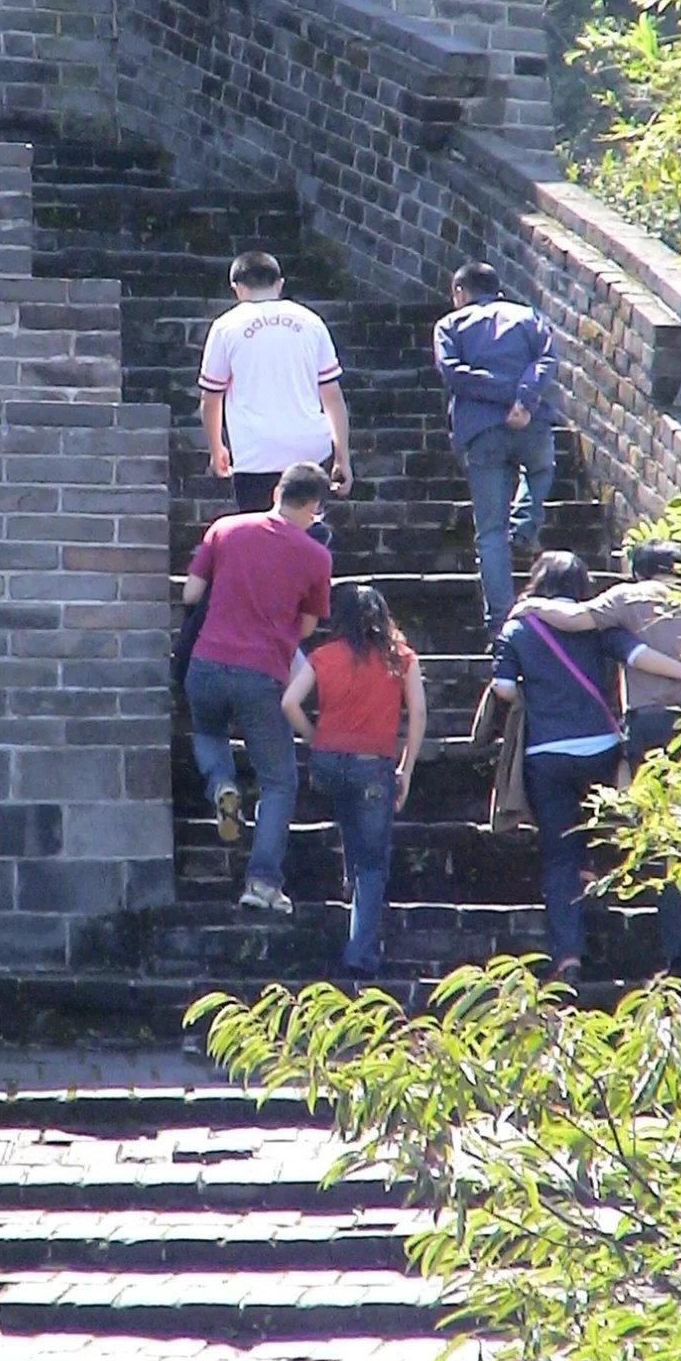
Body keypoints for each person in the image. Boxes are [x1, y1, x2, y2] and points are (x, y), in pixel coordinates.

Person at [511, 538, 681, 982]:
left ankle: (671, 952)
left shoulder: (627, 598)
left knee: (662, 838)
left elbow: (577, 617)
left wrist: (532, 606)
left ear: (639, 571)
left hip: (653, 727)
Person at [182, 462, 333, 915]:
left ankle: (222, 785)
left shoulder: (226, 528)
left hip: (205, 662)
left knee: (208, 734)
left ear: (277, 491)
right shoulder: (315, 555)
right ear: (310, 505)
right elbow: (306, 626)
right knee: (278, 783)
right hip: (261, 673)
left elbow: (191, 594)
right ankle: (262, 882)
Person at [282, 583, 427, 979]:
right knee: (373, 862)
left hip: (328, 763)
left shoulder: (323, 656)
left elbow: (289, 703)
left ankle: (350, 884)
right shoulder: (401, 659)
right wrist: (406, 767)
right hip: (372, 766)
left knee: (350, 817)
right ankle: (359, 953)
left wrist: (315, 739)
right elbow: (418, 713)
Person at [433, 259, 560, 639]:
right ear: (498, 289)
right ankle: (525, 522)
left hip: (481, 429)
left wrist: (501, 396)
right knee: (540, 470)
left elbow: (452, 372)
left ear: (459, 292)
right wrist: (522, 399)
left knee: (489, 532)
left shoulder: (450, 325)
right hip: (531, 422)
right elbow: (546, 360)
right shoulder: (530, 317)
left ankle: (501, 623)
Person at [198, 251, 353, 515]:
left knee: (260, 539)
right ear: (279, 284)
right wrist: (343, 456)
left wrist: (217, 448)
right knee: (305, 535)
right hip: (310, 450)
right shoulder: (311, 322)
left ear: (236, 288)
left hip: (255, 451)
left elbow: (211, 397)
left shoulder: (226, 326)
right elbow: (332, 396)